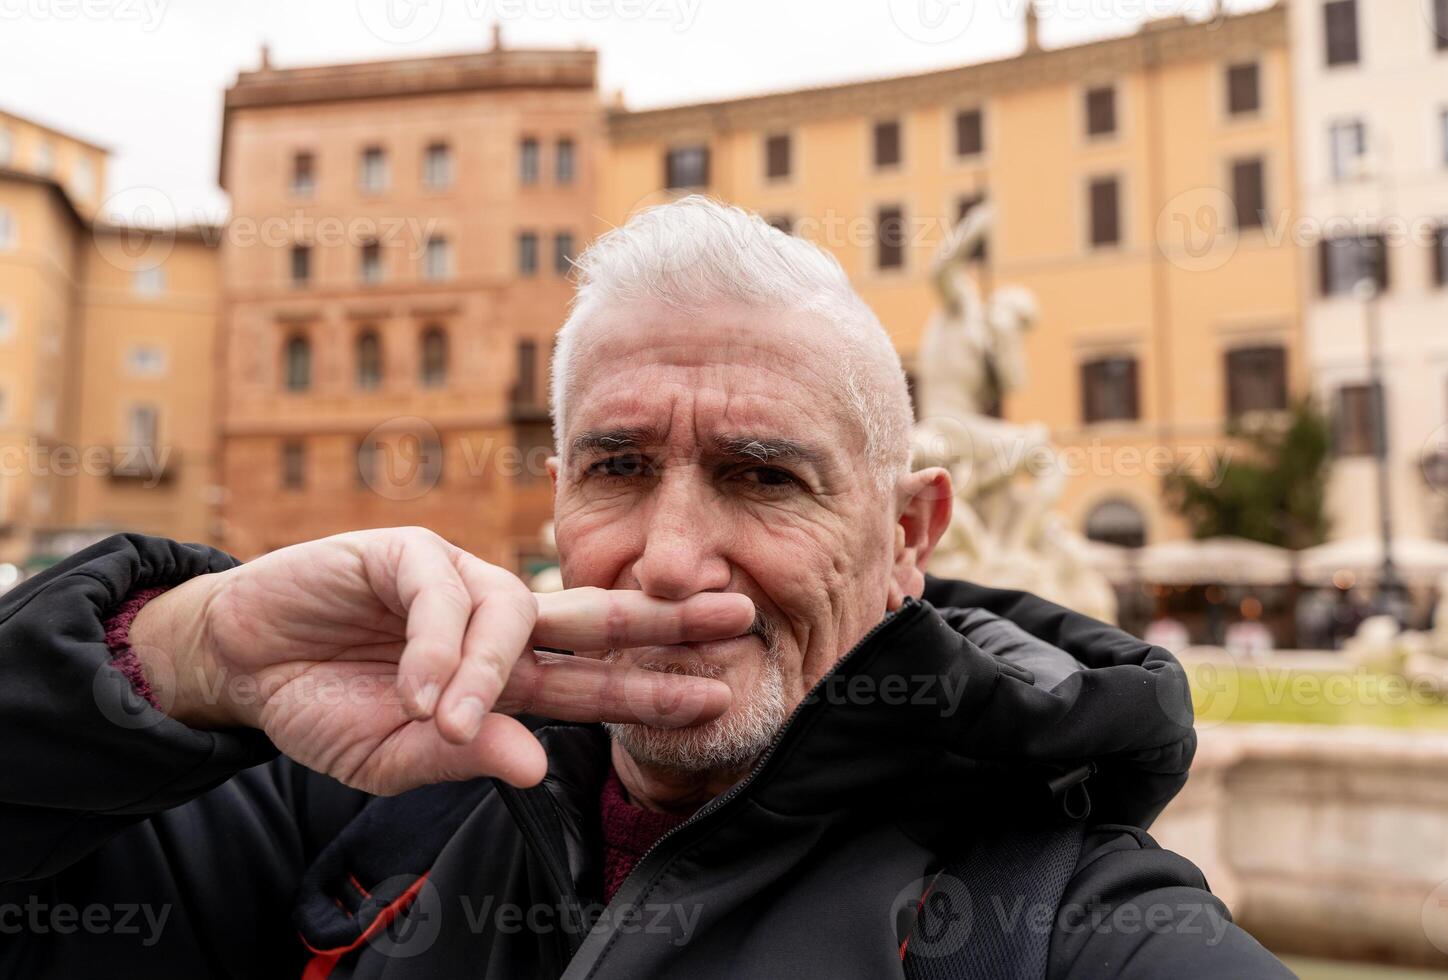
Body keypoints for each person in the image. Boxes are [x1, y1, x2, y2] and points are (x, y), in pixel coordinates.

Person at [0, 197, 1291, 979]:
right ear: (560, 496)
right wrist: (183, 660)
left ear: (909, 532)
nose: (668, 557)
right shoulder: (341, 810)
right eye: (619, 468)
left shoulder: (1064, 924)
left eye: (763, 477)